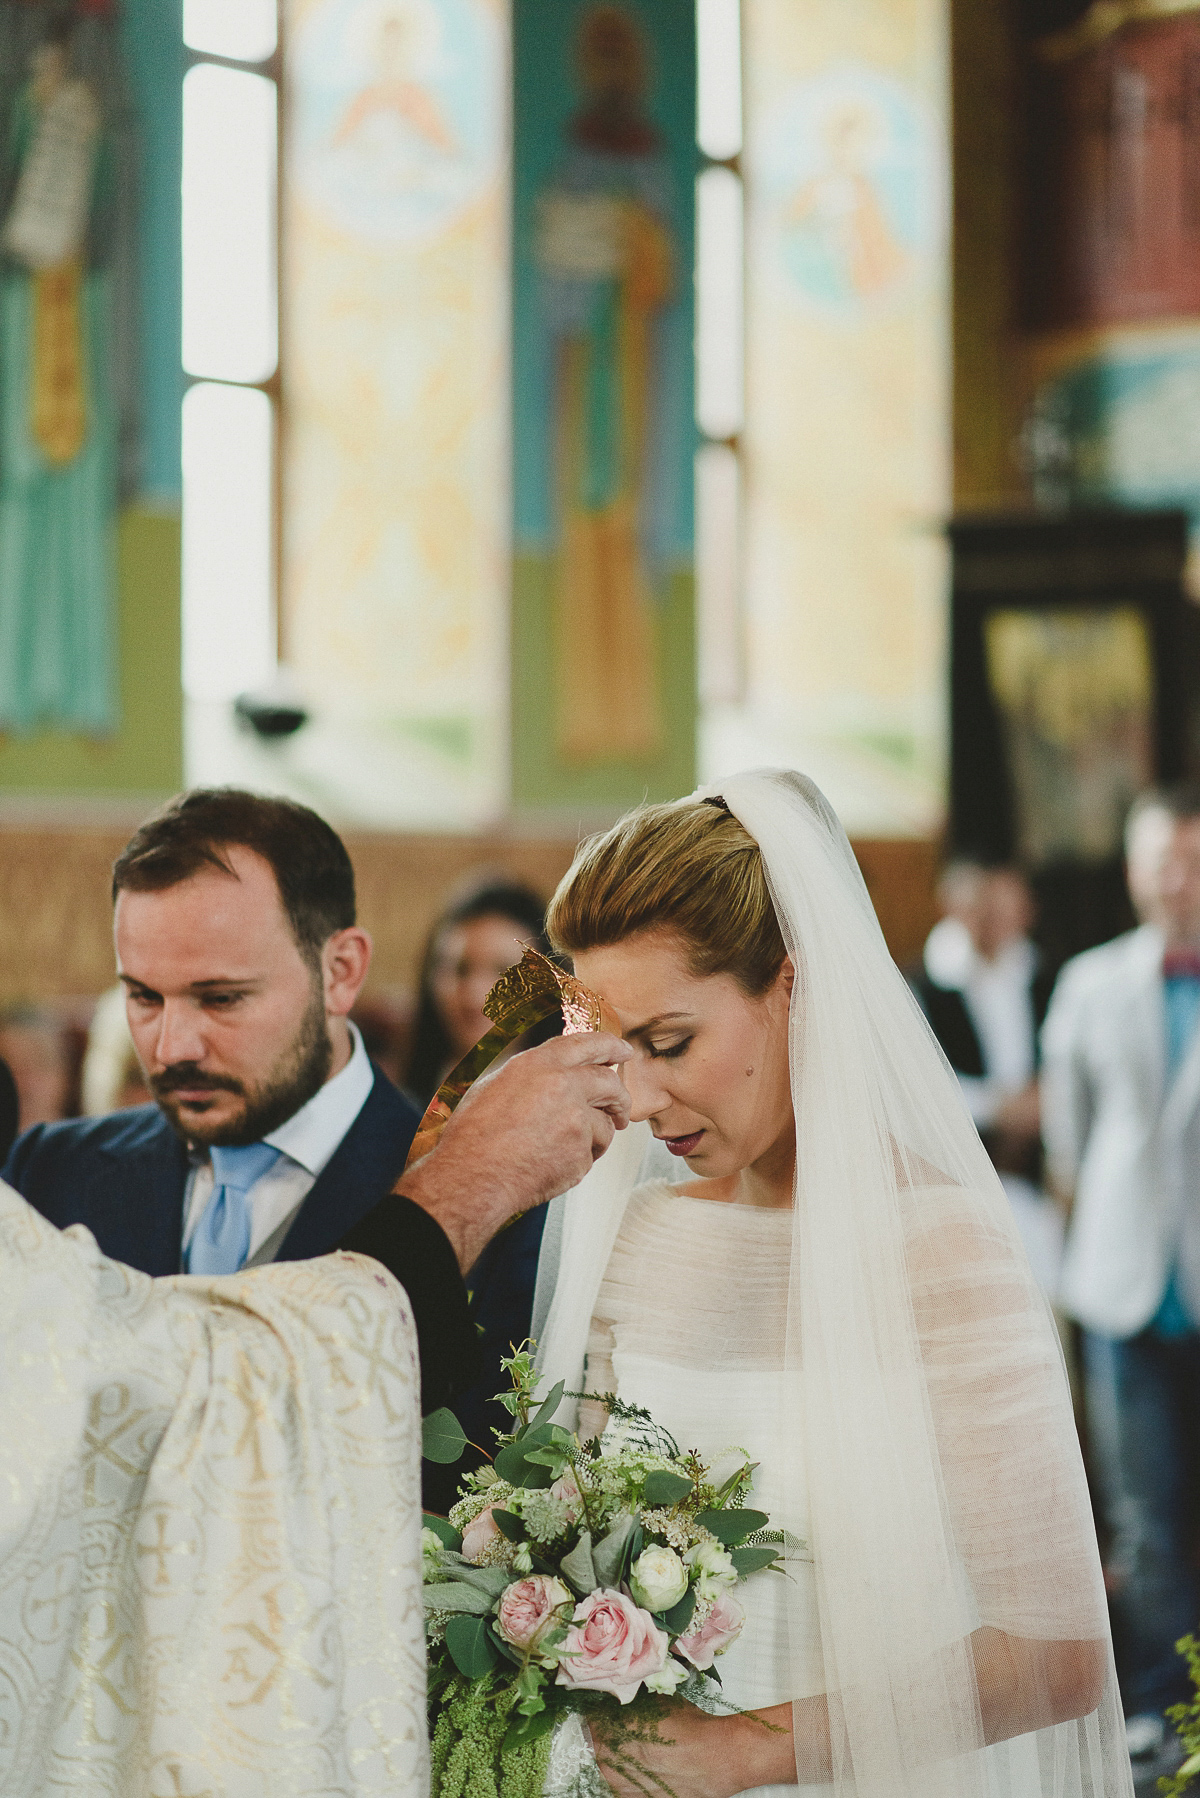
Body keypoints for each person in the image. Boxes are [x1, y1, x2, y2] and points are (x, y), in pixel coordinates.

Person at [531, 772, 1129, 1798]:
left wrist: (751, 1748)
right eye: (610, 1053)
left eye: (670, 1043)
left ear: (793, 987)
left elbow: (1057, 1655)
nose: (638, 1096)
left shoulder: (941, 1249)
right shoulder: (639, 1238)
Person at [2, 789, 632, 1416]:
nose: (171, 1048)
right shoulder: (50, 1172)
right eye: (143, 997)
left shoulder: (500, 1195)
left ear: (340, 972)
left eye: (221, 998)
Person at [1041, 784, 1200, 1765]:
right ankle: (1161, 1704)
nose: (1176, 877)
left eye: (1191, 856)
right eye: (1160, 859)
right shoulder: (1090, 983)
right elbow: (1070, 1137)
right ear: (1135, 870)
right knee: (1143, 1515)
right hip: (1122, 1284)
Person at [407, 876, 557, 1491]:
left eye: (500, 970)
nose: (473, 993)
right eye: (455, 967)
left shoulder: (569, 1114)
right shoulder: (401, 1109)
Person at [909, 860, 1063, 1294]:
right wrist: (999, 1109)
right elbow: (917, 1090)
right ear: (954, 907)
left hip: (1039, 1177)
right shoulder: (922, 986)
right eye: (983, 907)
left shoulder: (1049, 978)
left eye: (1007, 906)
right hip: (960, 1182)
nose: (995, 919)